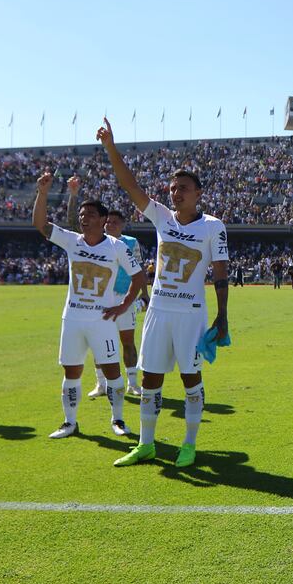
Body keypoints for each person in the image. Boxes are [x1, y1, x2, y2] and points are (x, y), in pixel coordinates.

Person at [97, 118, 230, 468]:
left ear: (198, 194)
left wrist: (222, 315)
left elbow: (220, 273)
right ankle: (146, 443)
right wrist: (111, 148)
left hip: (191, 314)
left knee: (191, 378)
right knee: (151, 378)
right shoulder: (162, 217)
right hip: (158, 310)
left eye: (183, 188)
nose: (176, 193)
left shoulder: (213, 226)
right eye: (173, 188)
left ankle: (189, 443)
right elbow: (130, 186)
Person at [32, 171, 145, 439]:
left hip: (102, 321)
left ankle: (118, 420)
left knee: (112, 371)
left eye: (90, 214)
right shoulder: (72, 241)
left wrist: (123, 306)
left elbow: (139, 277)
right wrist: (43, 192)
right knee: (71, 371)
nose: (84, 218)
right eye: (82, 215)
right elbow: (40, 224)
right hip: (72, 319)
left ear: (104, 220)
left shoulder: (117, 247)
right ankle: (70, 422)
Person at [68, 177, 150, 399]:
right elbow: (72, 225)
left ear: (122, 224)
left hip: (124, 298)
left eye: (115, 222)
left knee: (127, 341)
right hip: (101, 298)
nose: (111, 225)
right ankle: (101, 383)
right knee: (98, 342)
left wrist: (144, 295)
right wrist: (73, 195)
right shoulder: (91, 241)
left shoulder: (130, 243)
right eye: (108, 222)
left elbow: (139, 270)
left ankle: (132, 382)